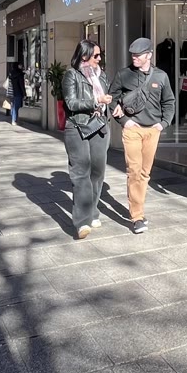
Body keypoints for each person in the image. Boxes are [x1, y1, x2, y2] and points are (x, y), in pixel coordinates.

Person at [109, 37, 176, 234]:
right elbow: (111, 99)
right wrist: (124, 121)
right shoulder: (123, 75)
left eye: (138, 55)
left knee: (145, 173)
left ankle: (139, 209)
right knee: (134, 170)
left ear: (149, 55)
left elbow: (169, 102)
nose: (134, 57)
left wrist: (163, 124)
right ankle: (137, 216)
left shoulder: (161, 76)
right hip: (132, 129)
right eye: (133, 55)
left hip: (152, 131)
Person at [63, 40, 112, 239]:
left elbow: (109, 99)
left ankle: (92, 212)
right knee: (81, 173)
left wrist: (115, 107)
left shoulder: (102, 75)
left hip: (99, 126)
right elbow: (71, 103)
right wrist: (96, 100)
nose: (99, 59)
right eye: (96, 55)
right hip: (78, 126)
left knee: (98, 173)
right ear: (84, 56)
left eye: (100, 55)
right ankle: (82, 222)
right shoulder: (72, 75)